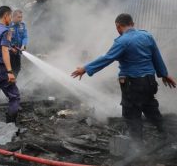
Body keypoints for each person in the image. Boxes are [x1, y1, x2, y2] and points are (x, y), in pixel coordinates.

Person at [71, 13, 176, 144]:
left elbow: (107, 58)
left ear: (118, 26)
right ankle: (166, 135)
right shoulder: (147, 36)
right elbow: (156, 56)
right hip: (150, 82)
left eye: (117, 28)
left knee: (131, 113)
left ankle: (137, 147)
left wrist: (85, 68)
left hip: (133, 84)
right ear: (132, 24)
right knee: (150, 107)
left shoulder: (122, 41)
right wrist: (164, 74)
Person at [9, 9, 28, 77]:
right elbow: (5, 40)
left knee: (17, 68)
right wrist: (11, 48)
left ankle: (13, 81)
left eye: (21, 17)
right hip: (9, 52)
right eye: (19, 17)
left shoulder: (22, 25)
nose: (20, 19)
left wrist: (23, 45)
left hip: (18, 51)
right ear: (13, 17)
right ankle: (9, 83)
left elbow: (25, 37)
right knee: (10, 69)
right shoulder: (9, 25)